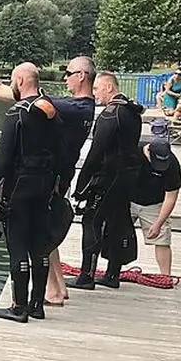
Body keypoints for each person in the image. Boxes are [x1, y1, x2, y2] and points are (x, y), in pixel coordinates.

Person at [0, 55, 97, 306]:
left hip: (51, 181)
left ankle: (51, 292)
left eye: (68, 73)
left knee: (39, 237)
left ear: (82, 76)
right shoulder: (79, 106)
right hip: (55, 178)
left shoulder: (77, 109)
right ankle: (58, 287)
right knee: (44, 235)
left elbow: (30, 101)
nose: (65, 77)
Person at [0, 62, 62, 323]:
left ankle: (19, 307)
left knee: (17, 246)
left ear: (22, 80)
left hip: (20, 187)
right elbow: (61, 151)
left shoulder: (17, 114)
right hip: (45, 186)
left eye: (13, 80)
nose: (12, 84)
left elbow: (3, 159)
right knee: (40, 245)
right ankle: (37, 305)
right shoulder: (52, 111)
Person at [69, 72, 145, 290]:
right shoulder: (132, 112)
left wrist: (82, 184)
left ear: (109, 88)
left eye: (97, 89)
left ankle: (86, 275)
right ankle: (113, 274)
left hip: (108, 177)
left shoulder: (110, 114)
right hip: (127, 177)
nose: (94, 94)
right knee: (118, 222)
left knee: (91, 221)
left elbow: (96, 152)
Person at [130, 138, 181, 275]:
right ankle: (111, 271)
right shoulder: (134, 151)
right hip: (127, 199)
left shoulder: (172, 163)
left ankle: (165, 276)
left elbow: (171, 197)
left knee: (163, 238)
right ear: (148, 151)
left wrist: (159, 223)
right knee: (114, 232)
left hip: (155, 203)